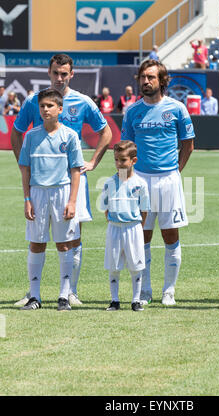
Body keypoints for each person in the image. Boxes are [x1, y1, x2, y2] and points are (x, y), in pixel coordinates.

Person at [11, 53, 112, 307]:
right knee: (38, 238)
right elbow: (16, 133)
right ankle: (35, 292)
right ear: (48, 72)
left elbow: (106, 132)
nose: (59, 78)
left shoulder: (83, 101)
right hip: (40, 182)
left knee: (73, 236)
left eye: (64, 73)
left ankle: (70, 291)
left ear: (71, 74)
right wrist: (25, 164)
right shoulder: (35, 101)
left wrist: (92, 162)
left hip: (71, 181)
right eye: (55, 73)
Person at [121, 59, 194, 306]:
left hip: (168, 179)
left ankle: (169, 291)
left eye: (151, 77)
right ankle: (145, 290)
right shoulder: (132, 111)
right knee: (141, 236)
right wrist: (124, 184)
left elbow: (188, 143)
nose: (146, 81)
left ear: (162, 81)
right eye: (143, 77)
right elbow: (125, 150)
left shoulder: (177, 108)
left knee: (170, 235)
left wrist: (176, 172)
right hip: (140, 180)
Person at [18, 89, 84, 311]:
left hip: (62, 193)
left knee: (64, 244)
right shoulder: (31, 136)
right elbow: (25, 169)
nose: (45, 109)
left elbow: (76, 171)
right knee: (37, 243)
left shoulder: (70, 136)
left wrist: (73, 201)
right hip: (37, 193)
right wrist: (27, 198)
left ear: (60, 109)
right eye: (42, 106)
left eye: (50, 106)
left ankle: (64, 296)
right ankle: (34, 297)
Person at [100, 140, 150, 312]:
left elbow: (144, 210)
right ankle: (114, 300)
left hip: (133, 227)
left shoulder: (140, 184)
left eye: (123, 160)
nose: (119, 164)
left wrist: (137, 225)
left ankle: (136, 300)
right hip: (114, 227)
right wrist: (114, 220)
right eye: (116, 160)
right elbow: (105, 208)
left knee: (136, 265)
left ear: (133, 160)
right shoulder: (109, 183)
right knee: (113, 265)